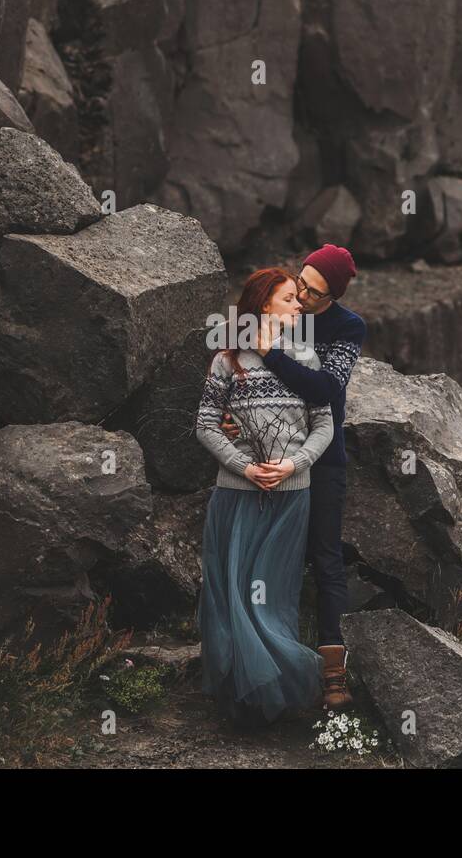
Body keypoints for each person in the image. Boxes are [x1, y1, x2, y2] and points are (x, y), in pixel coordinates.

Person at [222, 244, 365, 710]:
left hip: (321, 458)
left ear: (333, 297)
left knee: (325, 559)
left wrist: (275, 355)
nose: (301, 296)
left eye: (314, 292)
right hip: (260, 457)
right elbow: (233, 371)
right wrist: (231, 418)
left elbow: (325, 388)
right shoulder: (279, 305)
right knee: (257, 559)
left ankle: (331, 672)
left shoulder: (347, 328)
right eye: (300, 283)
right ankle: (255, 666)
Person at [194, 268, 335, 725]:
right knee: (230, 596)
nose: (299, 306)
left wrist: (294, 465)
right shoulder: (227, 360)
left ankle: (277, 692)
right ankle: (240, 701)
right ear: (263, 304)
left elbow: (325, 425)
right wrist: (245, 467)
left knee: (272, 598)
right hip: (236, 494)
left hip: (291, 495)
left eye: (299, 299)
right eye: (290, 298)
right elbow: (206, 424)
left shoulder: (307, 358)